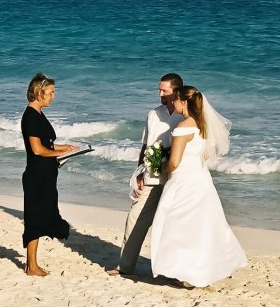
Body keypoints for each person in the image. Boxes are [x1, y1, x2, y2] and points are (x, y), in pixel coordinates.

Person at [149, 85, 247, 288]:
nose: (173, 102)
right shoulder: (202, 126)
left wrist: (161, 166)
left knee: (177, 227)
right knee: (200, 228)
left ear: (184, 102)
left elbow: (175, 162)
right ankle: (197, 272)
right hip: (201, 180)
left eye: (176, 99)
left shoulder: (183, 128)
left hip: (183, 182)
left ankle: (184, 272)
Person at [106, 73, 184, 276]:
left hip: (175, 179)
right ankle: (125, 266)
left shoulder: (184, 116)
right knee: (135, 217)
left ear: (176, 91)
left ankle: (173, 271)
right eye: (159, 90)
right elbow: (144, 146)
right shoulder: (153, 114)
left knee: (172, 225)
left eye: (164, 91)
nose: (159, 94)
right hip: (151, 176)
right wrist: (139, 172)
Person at [21, 73, 77, 277]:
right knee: (34, 219)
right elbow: (37, 150)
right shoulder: (31, 117)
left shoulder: (38, 114)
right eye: (51, 92)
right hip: (37, 176)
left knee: (41, 215)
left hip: (45, 174)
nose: (53, 96)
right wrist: (58, 153)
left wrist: (65, 148)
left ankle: (32, 264)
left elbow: (47, 144)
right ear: (39, 92)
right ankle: (31, 266)